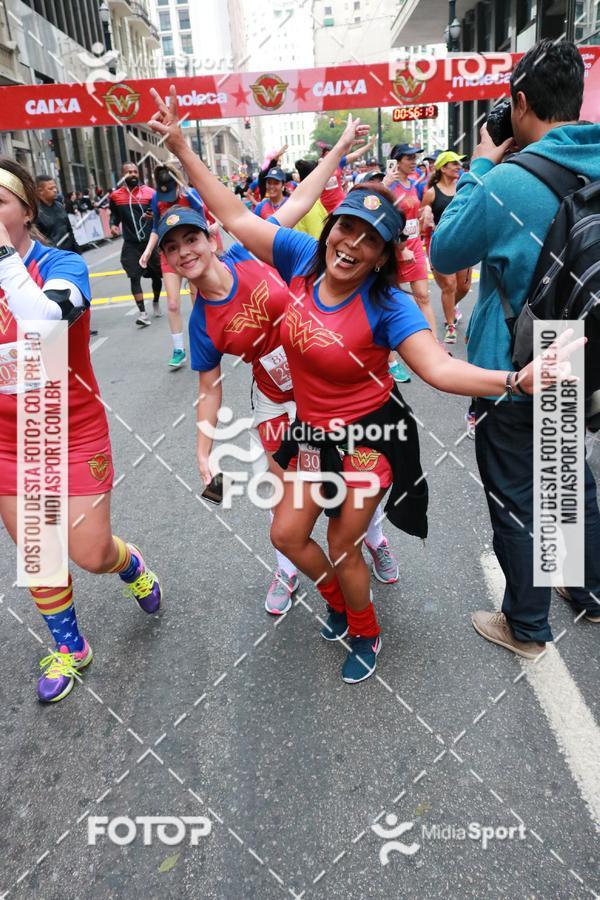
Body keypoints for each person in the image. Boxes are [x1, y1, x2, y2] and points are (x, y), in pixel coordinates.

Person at [150, 86, 579, 684]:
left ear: (382, 256)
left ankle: (366, 630)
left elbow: (438, 368)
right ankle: (336, 600)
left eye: (369, 239)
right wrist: (180, 150)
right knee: (287, 533)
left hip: (370, 435)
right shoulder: (301, 259)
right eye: (345, 229)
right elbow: (237, 216)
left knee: (343, 541)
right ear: (331, 231)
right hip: (307, 431)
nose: (350, 244)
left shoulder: (388, 305)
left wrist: (515, 378)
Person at [431, 38, 600, 658]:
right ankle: (590, 591)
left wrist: (479, 165)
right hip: (581, 351)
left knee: (518, 495)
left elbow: (444, 251)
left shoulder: (509, 179)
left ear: (521, 102)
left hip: (519, 362)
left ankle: (526, 627)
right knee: (567, 477)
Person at [0, 159, 161, 703]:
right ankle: (71, 649)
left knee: (90, 554)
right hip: (8, 441)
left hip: (71, 427)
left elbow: (45, 323)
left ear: (25, 210)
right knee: (41, 552)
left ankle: (129, 563)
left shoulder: (64, 263)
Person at [139, 163, 206, 368]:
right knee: (173, 304)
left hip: (192, 254)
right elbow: (156, 228)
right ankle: (179, 349)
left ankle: (203, 342)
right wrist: (148, 250)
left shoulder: (191, 195)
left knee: (197, 300)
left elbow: (202, 225)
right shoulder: (156, 197)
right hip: (169, 254)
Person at [421, 151, 472, 344]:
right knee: (449, 285)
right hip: (440, 243)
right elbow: (421, 219)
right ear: (443, 168)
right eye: (454, 164)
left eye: (459, 163)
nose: (458, 167)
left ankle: (451, 307)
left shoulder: (462, 188)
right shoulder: (431, 193)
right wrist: (425, 216)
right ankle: (450, 324)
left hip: (462, 241)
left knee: (464, 286)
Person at [109, 162, 162, 327]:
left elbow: (159, 213)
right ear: (123, 175)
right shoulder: (115, 196)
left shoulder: (150, 193)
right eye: (129, 172)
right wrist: (113, 225)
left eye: (135, 171)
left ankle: (155, 301)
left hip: (150, 242)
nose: (132, 174)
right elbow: (114, 216)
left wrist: (151, 215)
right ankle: (142, 313)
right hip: (131, 243)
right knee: (134, 277)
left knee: (156, 276)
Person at [318, 135, 376, 214]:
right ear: (322, 156)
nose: (328, 157)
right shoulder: (317, 167)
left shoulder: (338, 163)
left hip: (340, 203)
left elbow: (356, 154)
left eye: (330, 155)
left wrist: (369, 145)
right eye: (326, 155)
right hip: (324, 207)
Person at [35, 175, 79, 253]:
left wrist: (76, 249)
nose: (55, 190)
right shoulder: (35, 212)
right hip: (53, 255)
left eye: (55, 187)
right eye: (50, 188)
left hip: (70, 251)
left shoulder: (59, 206)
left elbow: (69, 229)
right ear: (40, 191)